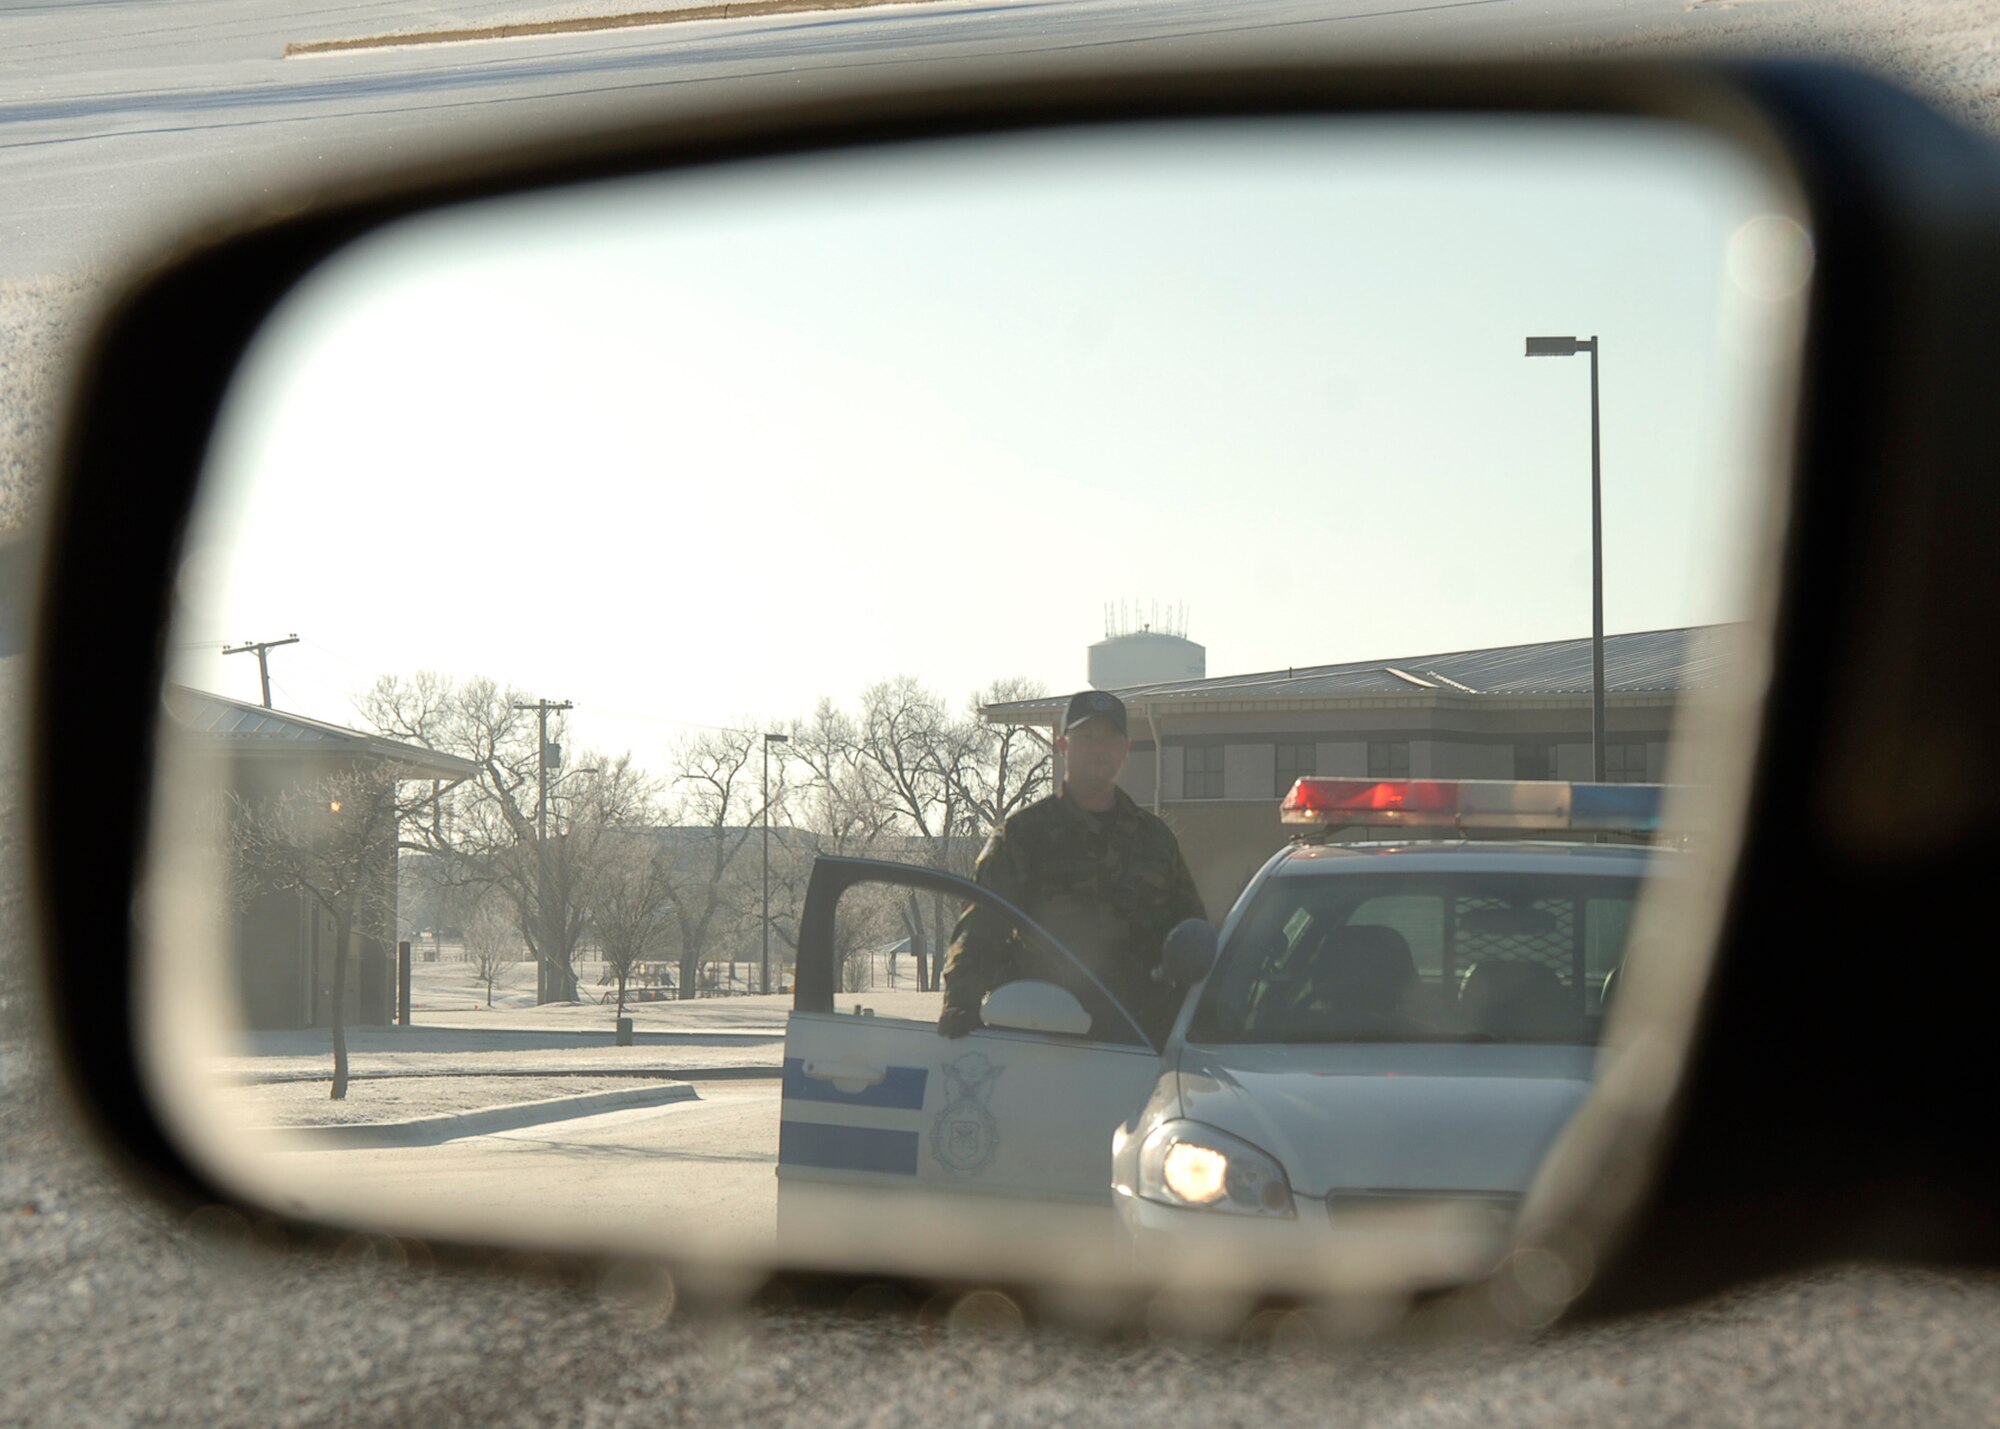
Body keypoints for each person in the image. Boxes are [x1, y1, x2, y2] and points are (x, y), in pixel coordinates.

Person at [937, 689, 1206, 1041]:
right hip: (1041, 1034)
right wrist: (960, 1004)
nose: (1098, 748)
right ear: (1063, 746)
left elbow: (1189, 932)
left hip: (1136, 1041)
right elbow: (981, 925)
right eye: (1086, 737)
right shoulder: (1023, 835)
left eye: (1109, 739)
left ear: (1125, 750)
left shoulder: (1154, 839)